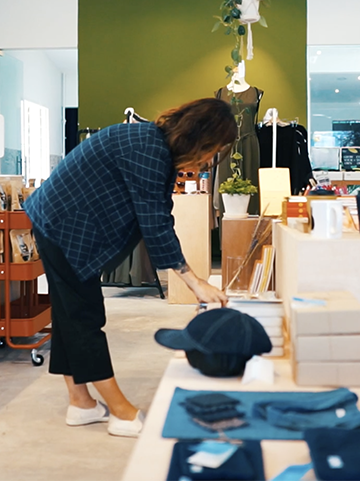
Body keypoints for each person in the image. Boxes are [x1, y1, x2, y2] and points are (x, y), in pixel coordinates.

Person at [24, 98, 237, 437]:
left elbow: (158, 214)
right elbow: (155, 222)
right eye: (214, 150)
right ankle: (121, 413)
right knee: (84, 318)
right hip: (62, 226)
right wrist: (195, 281)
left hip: (60, 223)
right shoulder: (148, 149)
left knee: (69, 316)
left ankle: (81, 403)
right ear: (202, 138)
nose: (210, 159)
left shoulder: (155, 147)